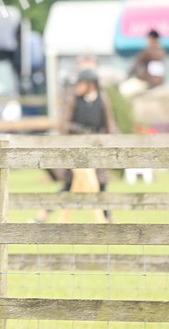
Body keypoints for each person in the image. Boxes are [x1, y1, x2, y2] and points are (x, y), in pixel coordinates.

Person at [35, 69, 118, 223]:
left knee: (100, 184)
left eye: (81, 83)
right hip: (76, 150)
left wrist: (110, 144)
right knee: (68, 186)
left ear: (90, 84)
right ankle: (44, 214)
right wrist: (76, 130)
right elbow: (63, 125)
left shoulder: (102, 100)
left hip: (95, 148)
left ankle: (107, 220)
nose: (77, 86)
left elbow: (109, 124)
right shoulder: (74, 100)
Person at [123, 29, 166, 95]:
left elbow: (137, 64)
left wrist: (128, 75)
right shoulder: (161, 52)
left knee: (125, 90)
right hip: (160, 81)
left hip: (147, 81)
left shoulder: (147, 51)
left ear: (151, 38)